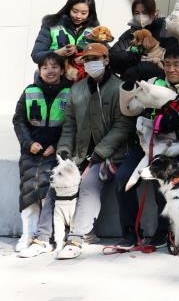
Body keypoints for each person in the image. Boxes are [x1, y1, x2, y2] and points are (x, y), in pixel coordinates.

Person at [114, 44, 179, 250]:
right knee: (122, 178)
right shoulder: (154, 83)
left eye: (176, 65)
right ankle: (129, 232)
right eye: (167, 64)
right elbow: (130, 110)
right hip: (148, 143)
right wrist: (126, 92)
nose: (171, 69)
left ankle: (165, 232)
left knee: (161, 180)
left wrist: (178, 124)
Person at [52, 44, 134, 259]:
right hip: (80, 153)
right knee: (55, 182)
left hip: (110, 155)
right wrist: (64, 150)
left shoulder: (119, 87)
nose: (91, 63)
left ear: (107, 60)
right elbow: (69, 124)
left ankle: (76, 238)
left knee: (88, 185)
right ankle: (42, 236)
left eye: (96, 58)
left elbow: (123, 125)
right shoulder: (76, 89)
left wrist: (101, 151)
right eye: (87, 59)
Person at [13, 53, 71, 257]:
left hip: (54, 151)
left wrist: (56, 146)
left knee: (47, 190)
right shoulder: (30, 91)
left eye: (55, 66)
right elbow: (18, 120)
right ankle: (27, 235)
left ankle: (48, 236)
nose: (50, 70)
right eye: (45, 67)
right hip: (31, 151)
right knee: (29, 188)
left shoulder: (69, 91)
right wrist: (29, 143)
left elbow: (71, 124)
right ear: (39, 70)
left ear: (62, 70)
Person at [108, 0, 170, 80]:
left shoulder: (164, 30)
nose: (140, 16)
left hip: (155, 81)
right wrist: (134, 57)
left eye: (144, 12)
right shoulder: (130, 34)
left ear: (153, 13)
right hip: (129, 82)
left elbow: (172, 56)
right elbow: (112, 55)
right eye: (137, 13)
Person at [31, 0, 100, 65]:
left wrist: (86, 59)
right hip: (55, 73)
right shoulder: (52, 24)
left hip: (83, 74)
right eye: (75, 11)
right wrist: (57, 53)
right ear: (68, 9)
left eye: (84, 13)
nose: (78, 16)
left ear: (90, 13)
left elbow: (104, 53)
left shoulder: (94, 29)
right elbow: (36, 56)